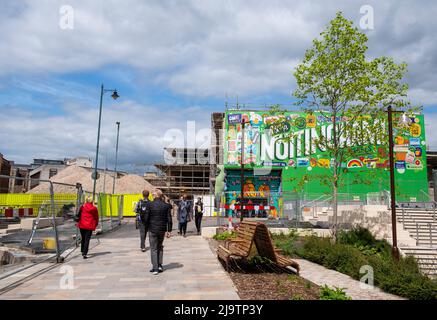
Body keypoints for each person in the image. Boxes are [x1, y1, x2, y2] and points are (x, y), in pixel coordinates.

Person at [143, 189, 172, 275]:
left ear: (156, 195)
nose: (152, 196)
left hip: (152, 229)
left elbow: (146, 218)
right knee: (160, 247)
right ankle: (159, 265)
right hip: (162, 230)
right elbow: (169, 219)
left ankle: (155, 268)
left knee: (154, 248)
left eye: (153, 195)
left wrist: (146, 227)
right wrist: (169, 230)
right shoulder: (166, 206)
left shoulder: (149, 205)